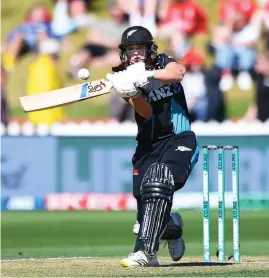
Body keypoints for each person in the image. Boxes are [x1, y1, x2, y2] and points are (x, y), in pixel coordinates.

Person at [106, 26, 199, 267]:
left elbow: (178, 73)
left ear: (150, 50)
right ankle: (173, 228)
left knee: (159, 180)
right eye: (130, 50)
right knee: (146, 212)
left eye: (140, 48)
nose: (136, 53)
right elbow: (146, 112)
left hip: (179, 138)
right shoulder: (124, 76)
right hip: (147, 146)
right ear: (124, 54)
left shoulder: (164, 62)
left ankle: (146, 254)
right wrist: (131, 92)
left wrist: (147, 75)